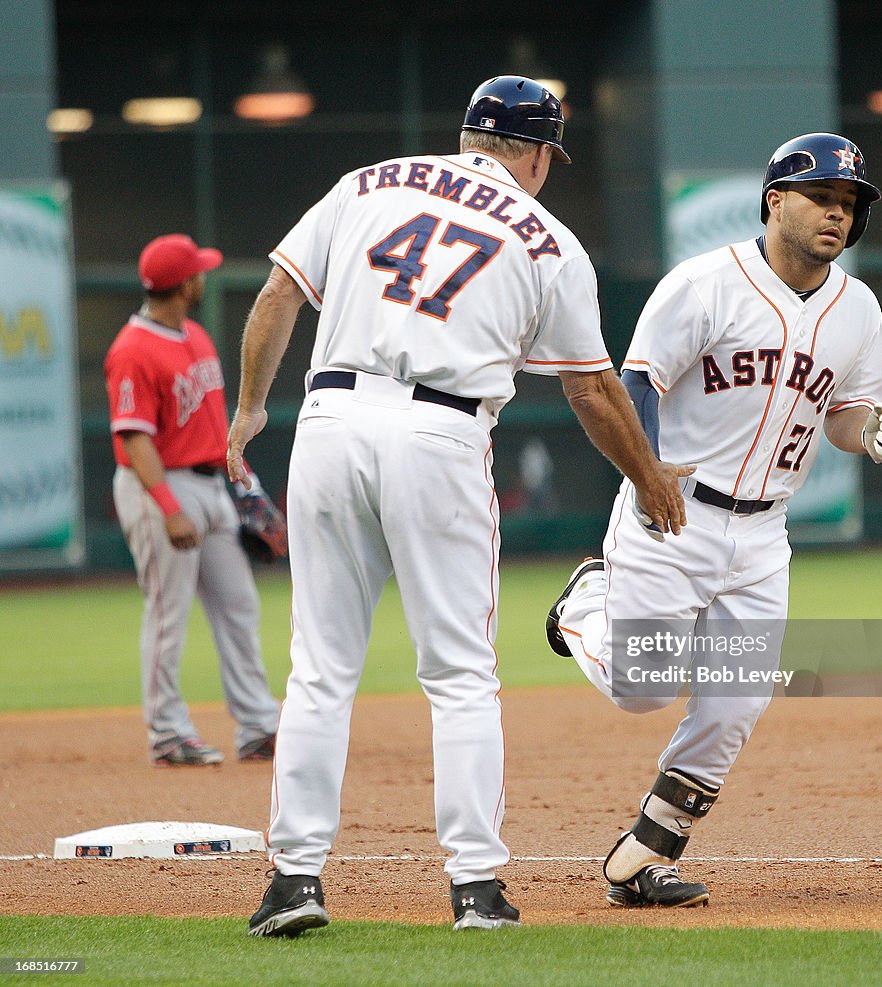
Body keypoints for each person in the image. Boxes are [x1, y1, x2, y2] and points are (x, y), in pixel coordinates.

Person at [228, 75, 691, 936]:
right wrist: (651, 477)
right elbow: (592, 390)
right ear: (537, 153)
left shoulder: (366, 182)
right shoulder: (549, 238)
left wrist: (253, 405)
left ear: (472, 134)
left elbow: (276, 295)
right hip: (438, 435)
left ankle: (292, 881)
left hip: (326, 419)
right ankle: (475, 889)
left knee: (320, 669)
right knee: (460, 674)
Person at [546, 133, 882, 909]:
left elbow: (844, 410)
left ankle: (644, 855)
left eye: (848, 205)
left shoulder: (859, 308)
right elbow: (637, 379)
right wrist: (644, 475)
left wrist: (866, 425)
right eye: (822, 198)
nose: (837, 216)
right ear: (775, 200)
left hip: (763, 533)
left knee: (736, 699)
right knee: (642, 688)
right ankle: (581, 605)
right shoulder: (706, 282)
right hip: (674, 509)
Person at [104, 234, 281, 767]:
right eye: (199, 271)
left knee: (239, 606)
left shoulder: (195, 335)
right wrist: (168, 507)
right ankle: (168, 733)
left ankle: (259, 726)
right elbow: (134, 438)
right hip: (161, 486)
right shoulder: (131, 350)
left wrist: (246, 488)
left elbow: (211, 427)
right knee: (168, 614)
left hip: (210, 484)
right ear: (184, 285)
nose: (205, 276)